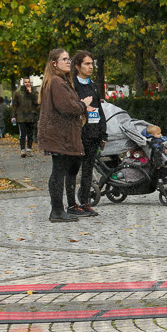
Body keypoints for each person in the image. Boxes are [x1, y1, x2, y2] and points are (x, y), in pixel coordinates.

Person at [37, 49, 91, 222]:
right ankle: (57, 211)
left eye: (69, 59)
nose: (68, 62)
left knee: (60, 171)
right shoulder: (57, 82)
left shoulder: (58, 81)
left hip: (60, 134)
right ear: (54, 63)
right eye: (64, 59)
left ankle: (59, 210)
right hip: (59, 135)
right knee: (58, 172)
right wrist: (83, 105)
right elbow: (67, 107)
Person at [68, 51, 106, 217]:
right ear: (77, 66)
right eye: (87, 64)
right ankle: (71, 204)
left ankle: (84, 202)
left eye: (92, 64)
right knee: (73, 169)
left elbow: (99, 109)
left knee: (88, 169)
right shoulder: (71, 84)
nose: (91, 67)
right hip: (77, 133)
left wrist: (103, 133)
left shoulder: (94, 85)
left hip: (93, 133)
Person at [11, 78, 39, 157]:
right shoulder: (18, 93)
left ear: (30, 83)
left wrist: (31, 94)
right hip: (21, 116)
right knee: (22, 134)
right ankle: (23, 150)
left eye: (28, 82)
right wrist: (13, 116)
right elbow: (14, 105)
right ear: (23, 83)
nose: (27, 84)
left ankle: (29, 149)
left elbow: (37, 103)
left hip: (31, 116)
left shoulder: (34, 92)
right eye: (25, 82)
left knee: (30, 134)